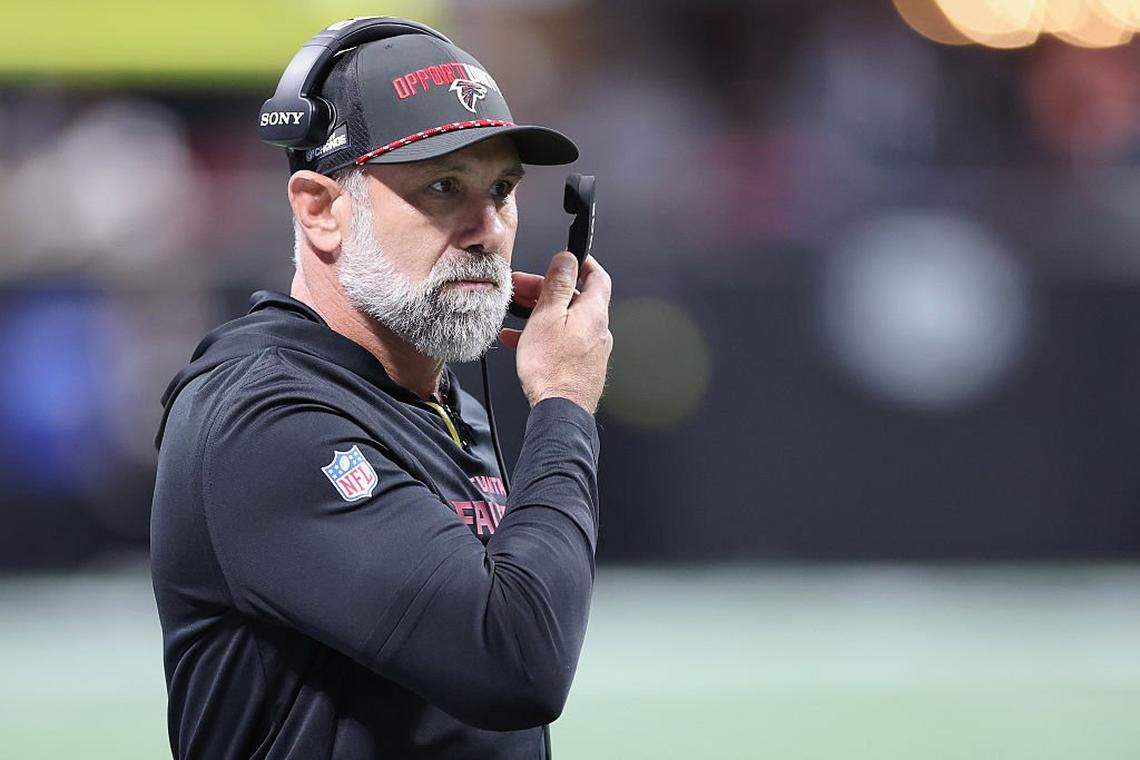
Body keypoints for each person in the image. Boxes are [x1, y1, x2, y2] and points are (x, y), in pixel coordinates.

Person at [150, 18, 612, 759]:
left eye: (501, 187)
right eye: (442, 186)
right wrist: (562, 399)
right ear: (321, 209)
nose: (487, 226)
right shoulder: (264, 417)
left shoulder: (438, 400)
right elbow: (516, 662)